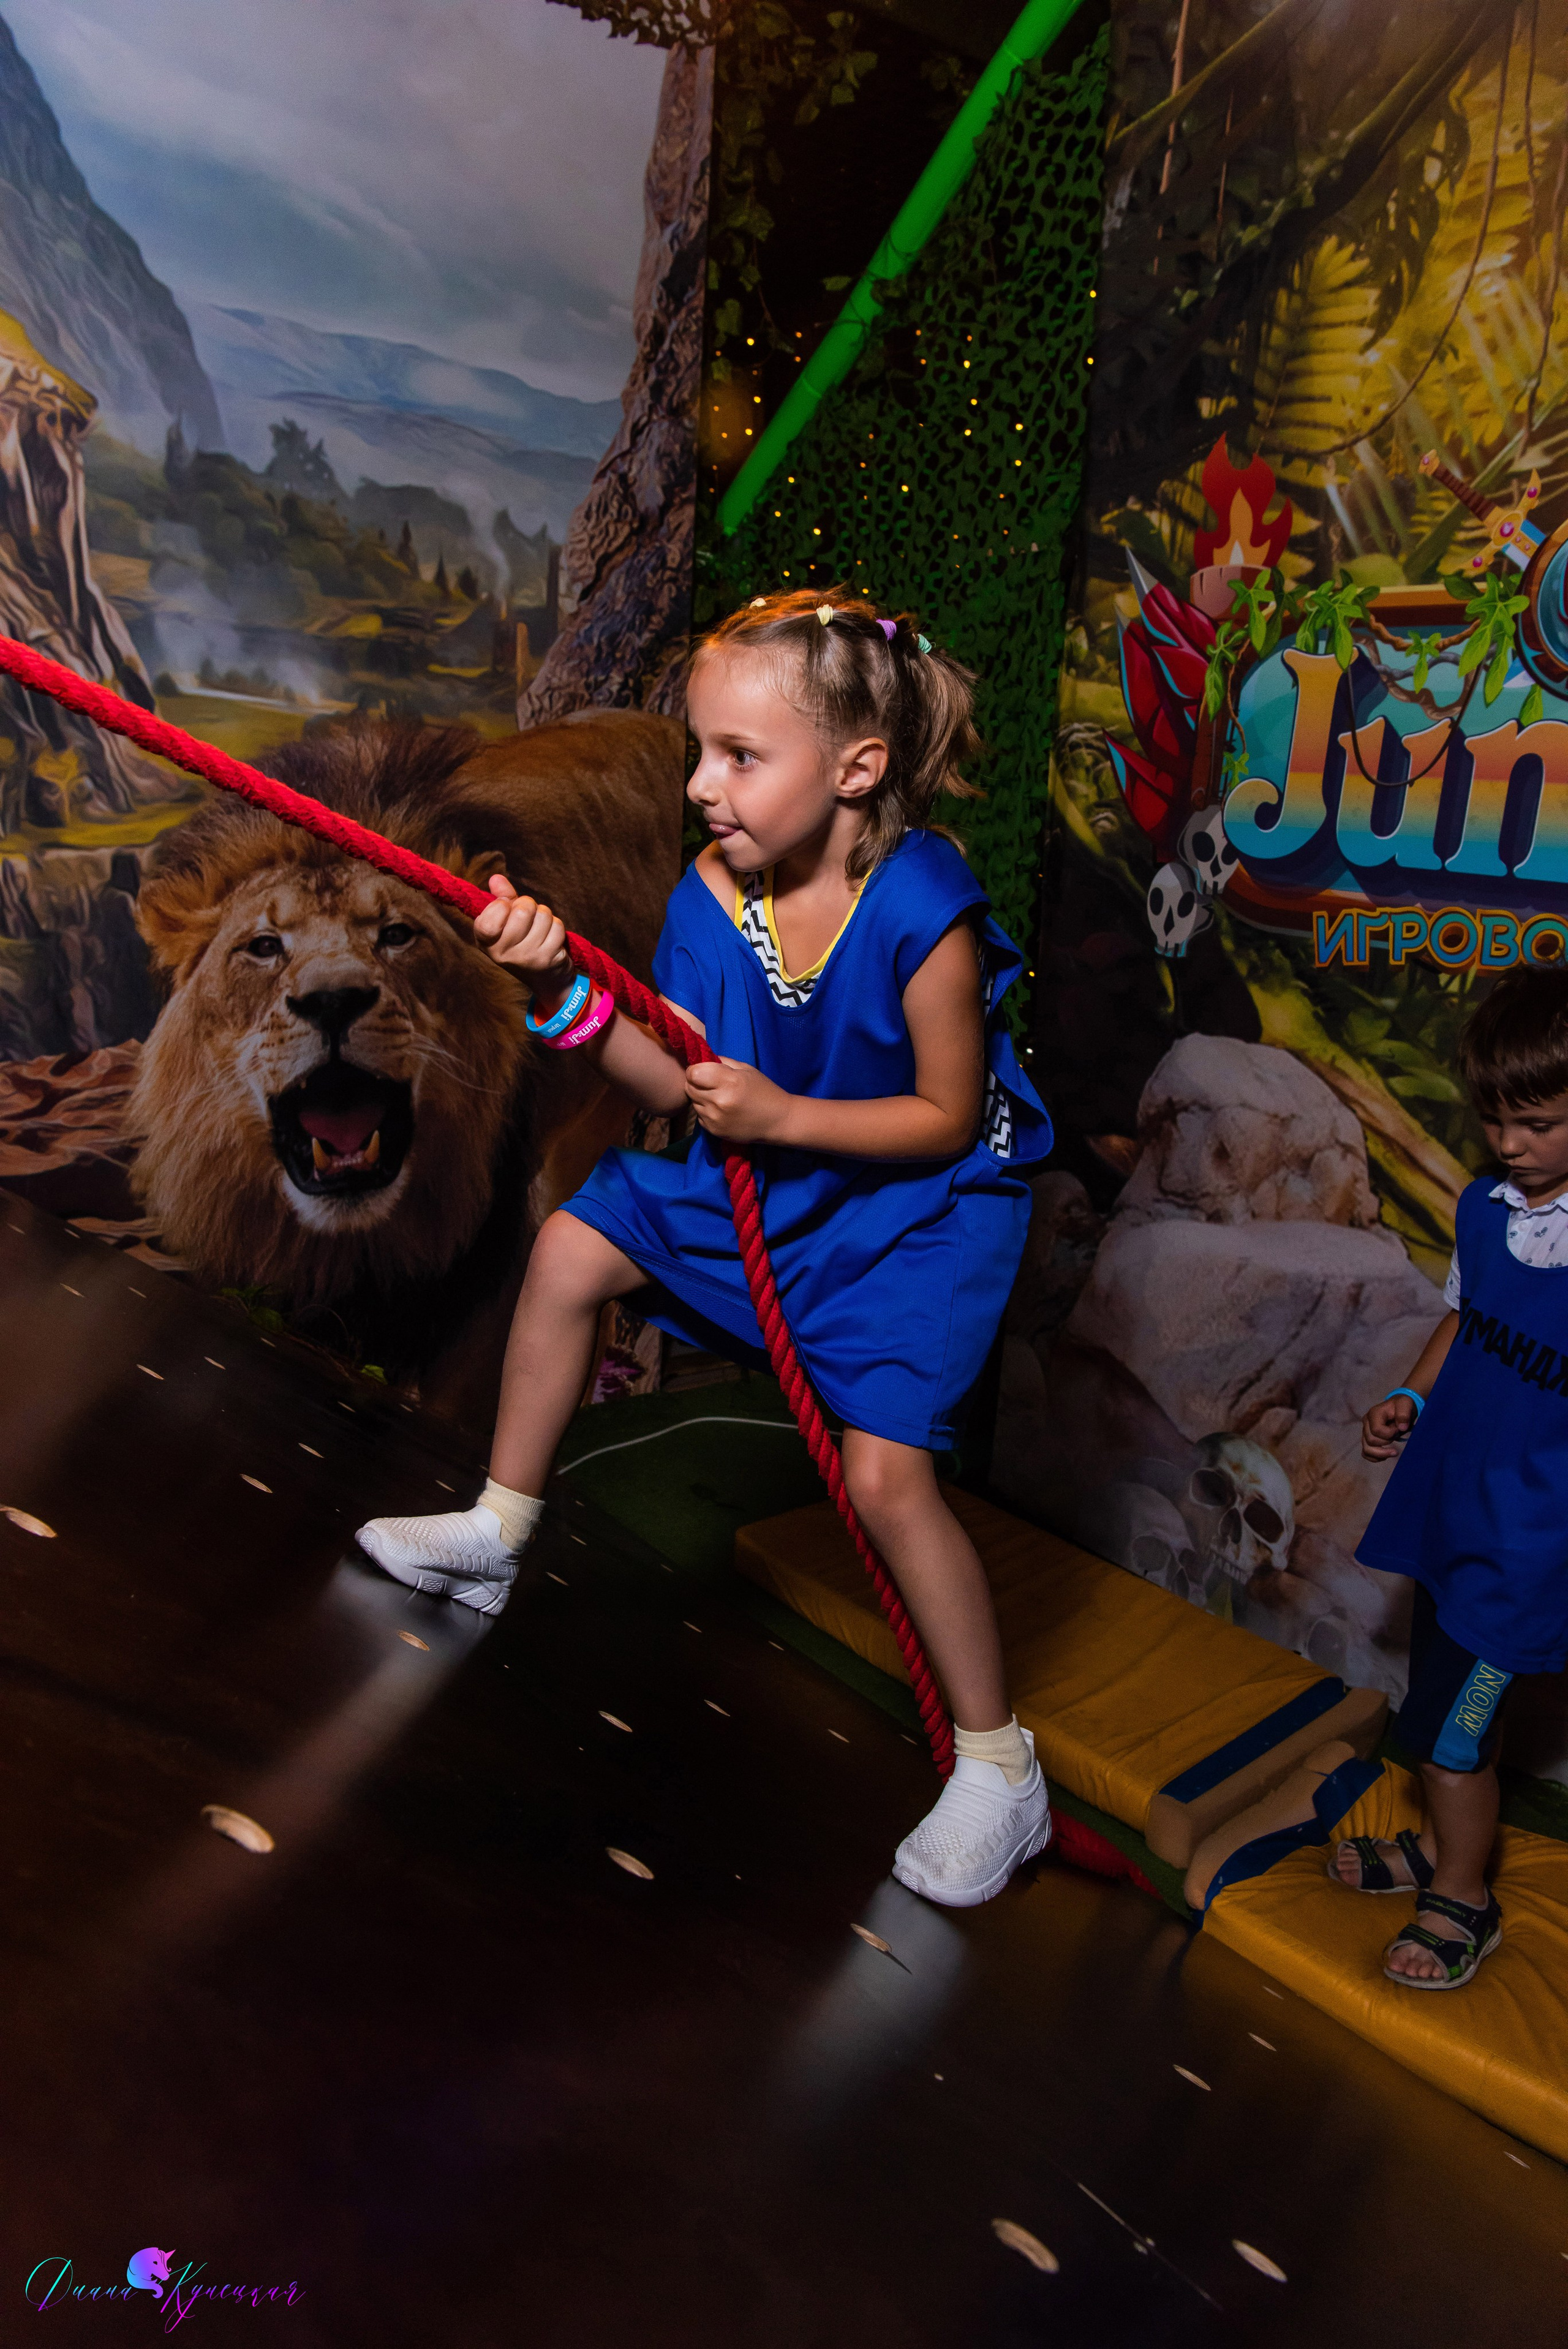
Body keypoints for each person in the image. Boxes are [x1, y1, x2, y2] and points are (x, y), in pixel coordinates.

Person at [357, 587, 1055, 1906]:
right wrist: (554, 980)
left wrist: (782, 1110)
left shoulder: (923, 909)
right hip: (781, 1175)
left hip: (923, 1211)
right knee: (570, 1250)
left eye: (738, 756)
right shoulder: (710, 892)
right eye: (700, 750)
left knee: (885, 1478)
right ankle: (501, 1529)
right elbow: (672, 1078)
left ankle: (994, 1765)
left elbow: (946, 1114)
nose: (700, 784)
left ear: (856, 771)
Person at [1333, 967, 1568, 1986]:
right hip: (1450, 1510)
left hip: (1530, 1548)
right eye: (1495, 1119)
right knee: (1430, 1697)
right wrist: (1415, 1399)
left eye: (1542, 1124)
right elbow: (1465, 1322)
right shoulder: (1483, 1208)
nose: (1511, 1144)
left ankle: (1464, 1899)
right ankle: (1444, 1849)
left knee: (1451, 1738)